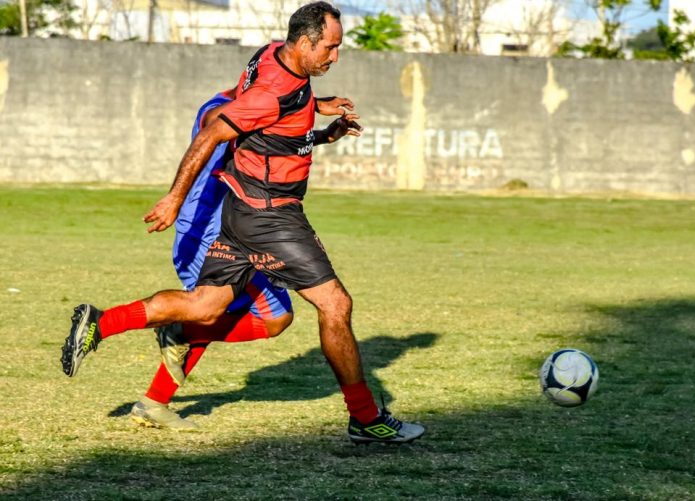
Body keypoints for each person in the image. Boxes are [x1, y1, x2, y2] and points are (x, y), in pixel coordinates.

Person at [61, 1, 425, 444]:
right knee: (335, 306)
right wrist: (175, 198)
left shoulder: (273, 55)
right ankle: (365, 418)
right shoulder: (273, 92)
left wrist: (317, 118)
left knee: (205, 307)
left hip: (240, 214)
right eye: (331, 47)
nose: (335, 56)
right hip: (272, 218)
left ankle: (102, 322)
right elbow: (215, 130)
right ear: (306, 42)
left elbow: (272, 123)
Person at [131, 88, 359, 429]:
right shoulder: (222, 108)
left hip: (243, 228)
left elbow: (270, 139)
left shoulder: (258, 104)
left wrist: (323, 135)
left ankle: (157, 394)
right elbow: (220, 127)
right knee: (242, 315)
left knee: (258, 317)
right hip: (209, 231)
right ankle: (160, 345)